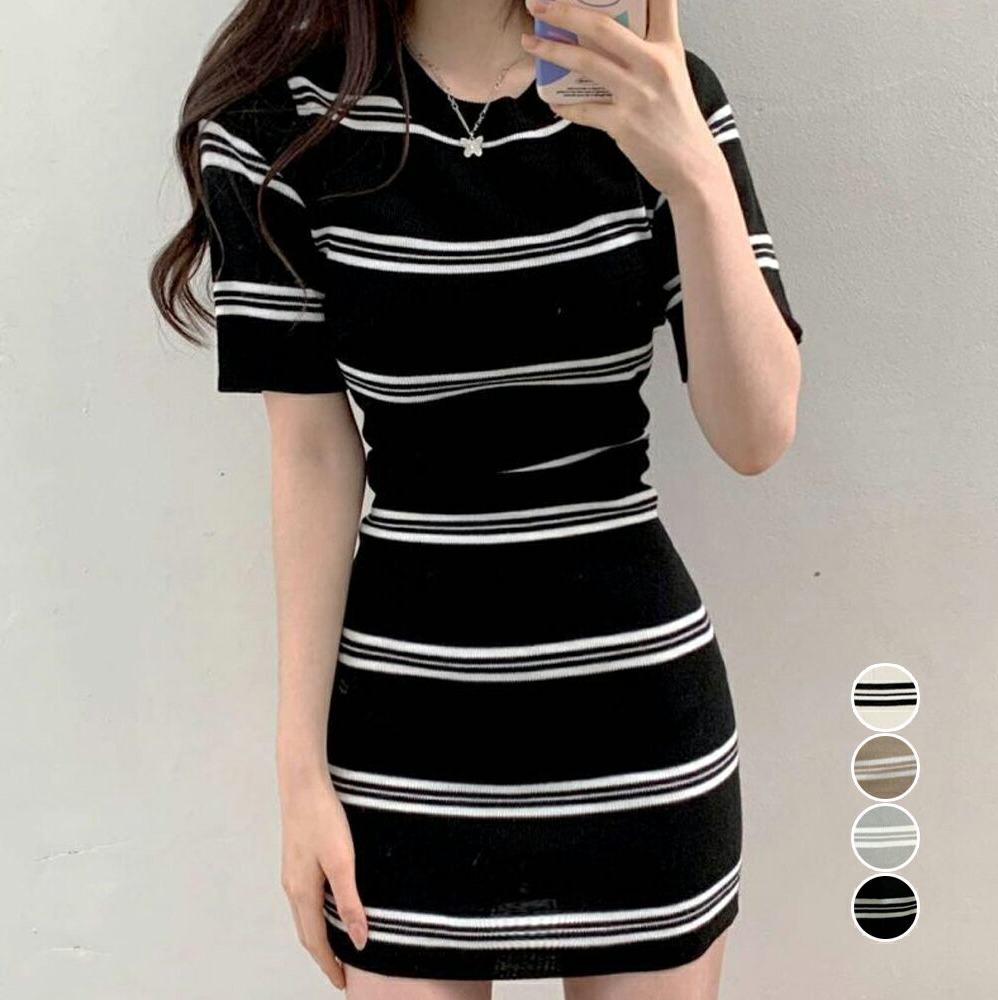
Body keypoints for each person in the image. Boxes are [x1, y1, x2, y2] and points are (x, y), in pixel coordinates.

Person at [151, 0, 803, 996]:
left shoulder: (652, 87)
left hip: (638, 737)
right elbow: (313, 456)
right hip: (402, 746)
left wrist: (693, 175)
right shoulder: (277, 128)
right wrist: (299, 775)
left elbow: (755, 435)